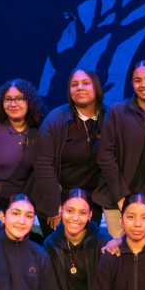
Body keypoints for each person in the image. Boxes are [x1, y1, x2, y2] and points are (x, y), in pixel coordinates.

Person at [93, 60, 145, 238]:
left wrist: (143, 201)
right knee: (118, 254)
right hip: (115, 198)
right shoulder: (117, 111)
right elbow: (105, 157)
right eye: (137, 80)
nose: (143, 85)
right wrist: (121, 198)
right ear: (132, 83)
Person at [33, 69, 105, 238]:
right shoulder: (56, 119)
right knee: (59, 256)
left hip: (92, 202)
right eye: (74, 85)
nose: (80, 88)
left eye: (86, 83)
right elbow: (43, 163)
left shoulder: (109, 117)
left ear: (97, 88)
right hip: (57, 201)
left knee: (87, 256)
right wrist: (54, 206)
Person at [0, 79, 46, 202]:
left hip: (24, 200)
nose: (13, 104)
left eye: (19, 98)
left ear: (29, 102)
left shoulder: (39, 131)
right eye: (8, 99)